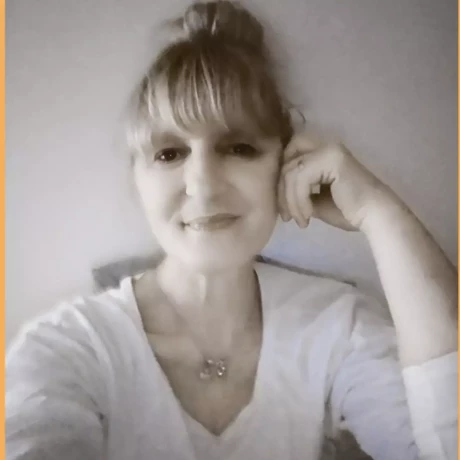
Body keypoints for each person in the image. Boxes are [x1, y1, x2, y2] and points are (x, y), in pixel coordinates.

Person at [6, 1, 457, 459]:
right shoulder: (65, 349)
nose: (202, 184)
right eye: (169, 154)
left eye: (239, 147)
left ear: (287, 165)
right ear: (137, 179)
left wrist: (379, 212)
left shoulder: (337, 326)